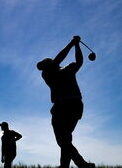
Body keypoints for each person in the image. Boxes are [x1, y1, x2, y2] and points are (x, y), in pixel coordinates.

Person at [37, 36, 95, 168]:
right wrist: (72, 44)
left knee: (64, 139)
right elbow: (60, 59)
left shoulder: (68, 69)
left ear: (50, 63)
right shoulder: (47, 74)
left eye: (45, 63)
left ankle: (80, 164)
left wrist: (76, 45)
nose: (44, 67)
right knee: (65, 139)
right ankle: (66, 165)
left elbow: (79, 62)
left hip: (68, 106)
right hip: (66, 106)